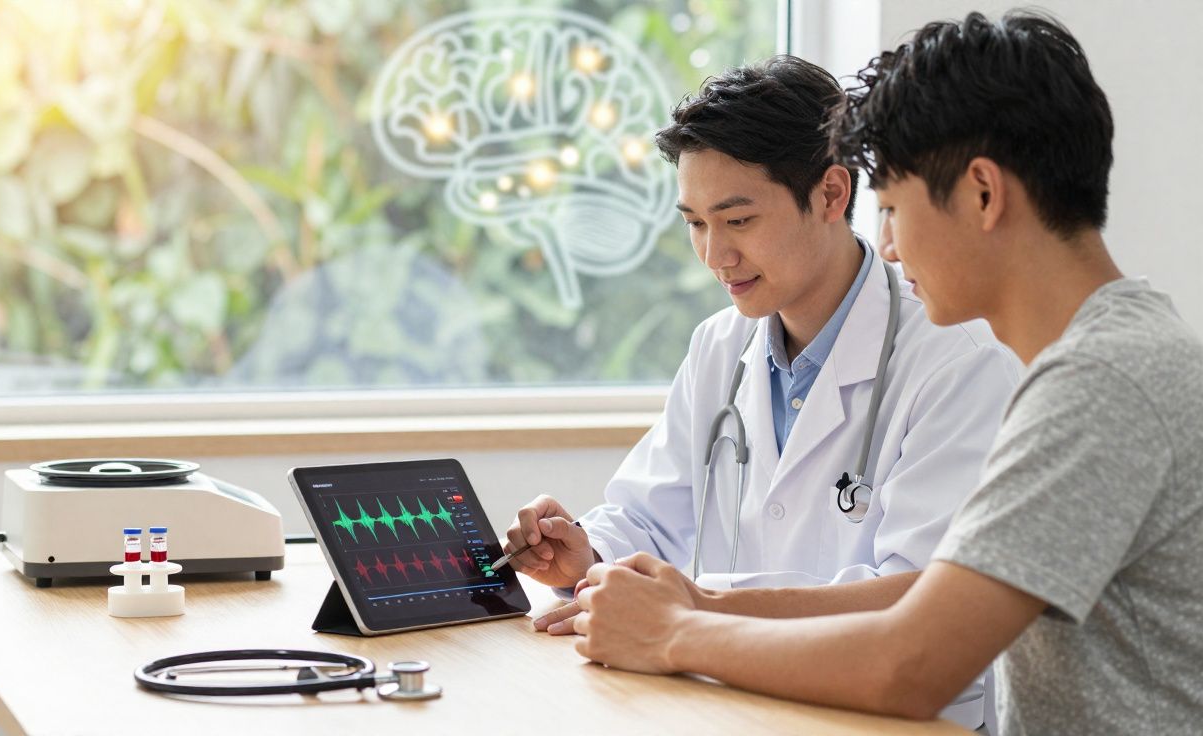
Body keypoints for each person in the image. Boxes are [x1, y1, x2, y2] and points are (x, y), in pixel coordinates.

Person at [566, 11, 1203, 735]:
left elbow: (913, 663)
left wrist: (675, 632)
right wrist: (695, 606)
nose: (890, 247)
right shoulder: (1111, 356)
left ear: (983, 194)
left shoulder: (1100, 383)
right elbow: (926, 606)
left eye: (895, 208)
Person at [501, 57, 1019, 728]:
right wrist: (587, 554)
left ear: (831, 195)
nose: (715, 255)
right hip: (737, 702)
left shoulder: (957, 359)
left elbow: (920, 601)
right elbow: (650, 514)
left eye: (738, 220)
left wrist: (693, 606)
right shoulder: (720, 346)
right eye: (695, 223)